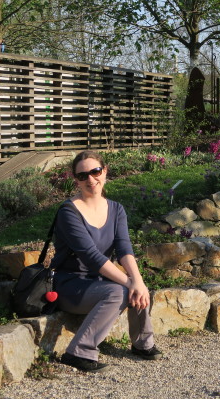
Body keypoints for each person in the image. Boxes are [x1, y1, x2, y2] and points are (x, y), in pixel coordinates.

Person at [50, 150, 162, 373]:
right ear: (76, 180)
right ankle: (78, 352)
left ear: (105, 171)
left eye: (95, 171)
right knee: (120, 290)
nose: (91, 179)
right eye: (83, 176)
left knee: (136, 286)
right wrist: (130, 283)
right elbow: (91, 256)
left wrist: (137, 281)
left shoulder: (116, 209)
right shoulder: (68, 212)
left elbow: (124, 249)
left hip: (97, 282)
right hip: (69, 285)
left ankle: (142, 343)